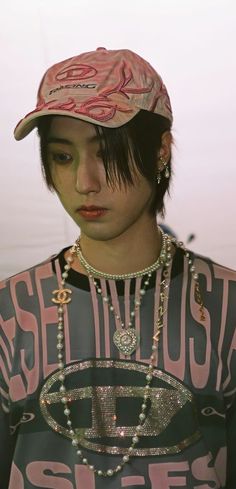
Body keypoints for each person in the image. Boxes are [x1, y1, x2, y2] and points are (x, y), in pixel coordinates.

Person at [0, 47, 235, 489]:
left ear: (160, 150)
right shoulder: (10, 310)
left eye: (107, 152)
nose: (83, 182)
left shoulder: (225, 305)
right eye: (63, 157)